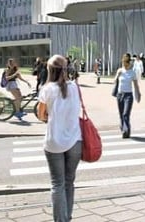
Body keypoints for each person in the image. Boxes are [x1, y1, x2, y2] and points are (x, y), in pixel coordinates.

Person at [37, 54, 83, 222]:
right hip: (75, 142)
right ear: (66, 69)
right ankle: (67, 217)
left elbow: (41, 115)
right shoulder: (75, 87)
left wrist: (50, 115)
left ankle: (60, 220)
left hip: (54, 143)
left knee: (58, 184)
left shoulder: (47, 89)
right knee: (69, 182)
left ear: (49, 70)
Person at [114, 53, 142, 138]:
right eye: (123, 61)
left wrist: (138, 94)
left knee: (125, 114)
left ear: (129, 62)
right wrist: (117, 75)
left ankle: (126, 130)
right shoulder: (120, 71)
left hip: (128, 96)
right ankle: (124, 128)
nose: (124, 63)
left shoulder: (132, 73)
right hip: (120, 95)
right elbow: (115, 81)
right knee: (121, 114)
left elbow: (136, 85)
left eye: (126, 62)